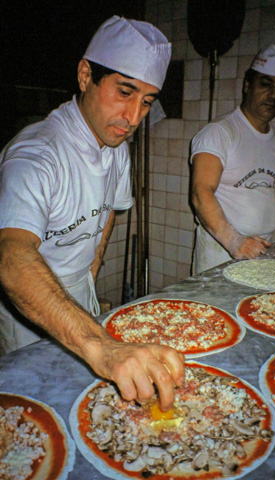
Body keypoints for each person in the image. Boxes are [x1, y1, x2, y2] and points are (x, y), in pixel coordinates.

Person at [0, 16, 184, 410]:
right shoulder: (36, 154)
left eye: (147, 102)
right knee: (37, 411)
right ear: (86, 75)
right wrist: (101, 347)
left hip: (81, 296)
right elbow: (12, 256)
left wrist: (91, 272)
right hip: (27, 312)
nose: (133, 117)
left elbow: (109, 214)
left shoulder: (117, 146)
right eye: (124, 92)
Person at [190, 43, 275, 274]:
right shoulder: (219, 132)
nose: (273, 95)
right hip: (221, 251)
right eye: (265, 84)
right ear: (248, 85)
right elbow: (201, 193)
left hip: (262, 249)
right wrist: (235, 241)